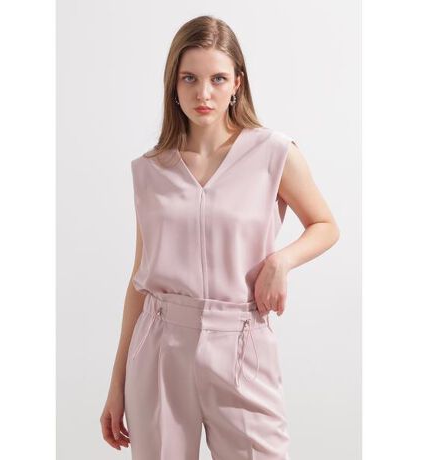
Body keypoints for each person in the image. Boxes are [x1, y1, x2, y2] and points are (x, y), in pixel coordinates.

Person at [100, 15, 340, 460]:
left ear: (237, 84)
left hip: (242, 342)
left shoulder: (274, 152)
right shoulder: (150, 170)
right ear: (173, 84)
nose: (203, 93)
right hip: (159, 346)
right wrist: (116, 384)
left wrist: (281, 261)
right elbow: (139, 277)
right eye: (189, 78)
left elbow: (325, 224)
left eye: (217, 79)